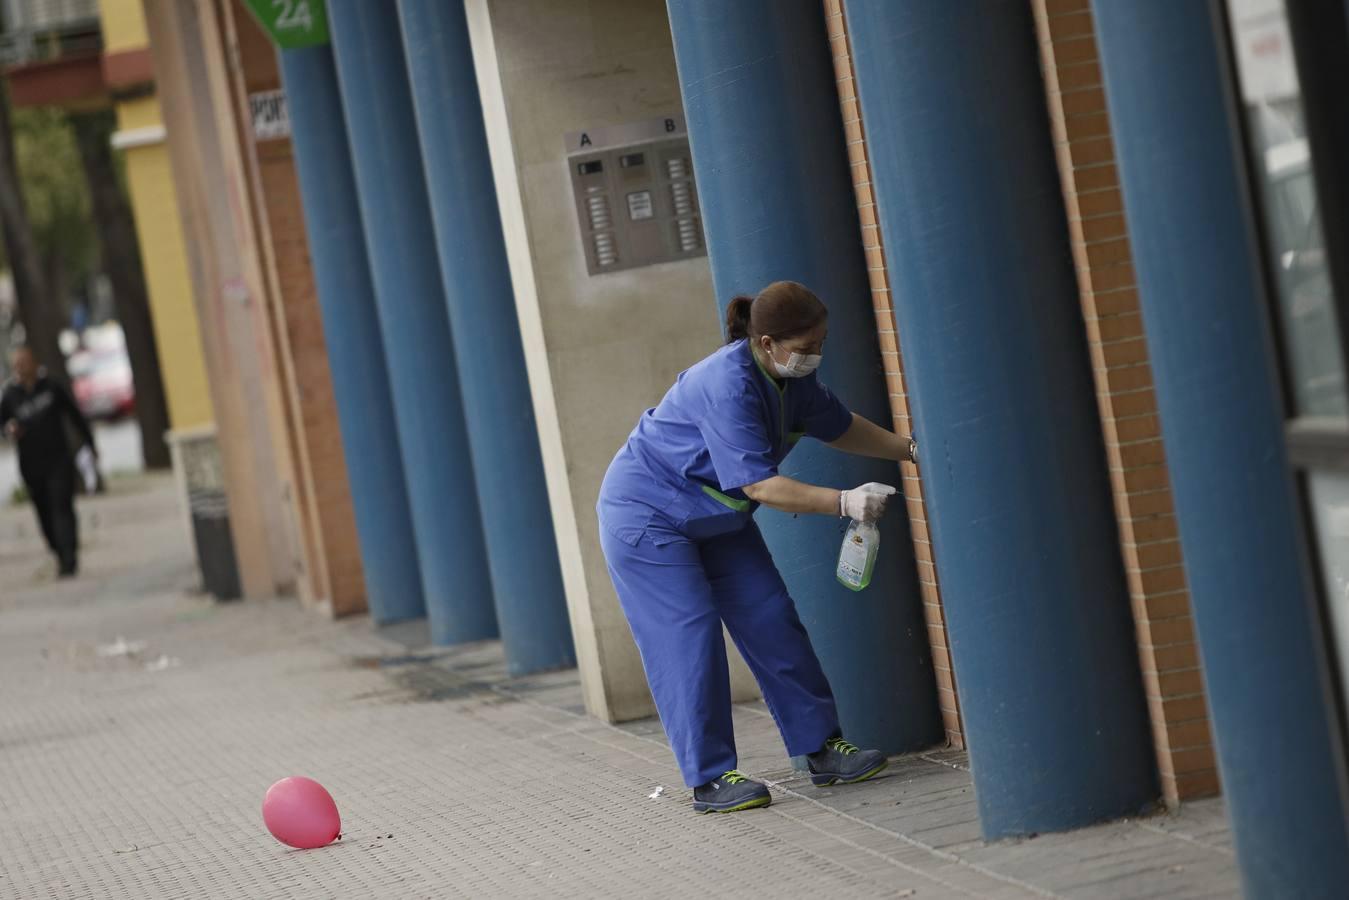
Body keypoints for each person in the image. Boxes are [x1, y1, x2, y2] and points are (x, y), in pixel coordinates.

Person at [597, 281, 918, 814]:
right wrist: (844, 502)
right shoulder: (729, 384)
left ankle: (821, 748)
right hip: (648, 516)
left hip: (717, 515)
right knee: (690, 635)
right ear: (767, 343)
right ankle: (711, 778)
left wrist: (909, 449)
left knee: (772, 616)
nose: (816, 354)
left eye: (822, 342)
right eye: (806, 346)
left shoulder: (792, 382)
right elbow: (760, 486)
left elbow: (840, 429)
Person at [1, 346, 97, 577]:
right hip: (32, 465)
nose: (21, 367)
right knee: (44, 511)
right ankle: (57, 548)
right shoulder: (10, 396)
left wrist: (90, 444)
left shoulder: (51, 386)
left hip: (59, 459)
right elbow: (3, 426)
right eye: (17, 364)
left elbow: (74, 414)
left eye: (25, 362)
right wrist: (9, 430)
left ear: (34, 363)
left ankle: (69, 558)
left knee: (62, 506)